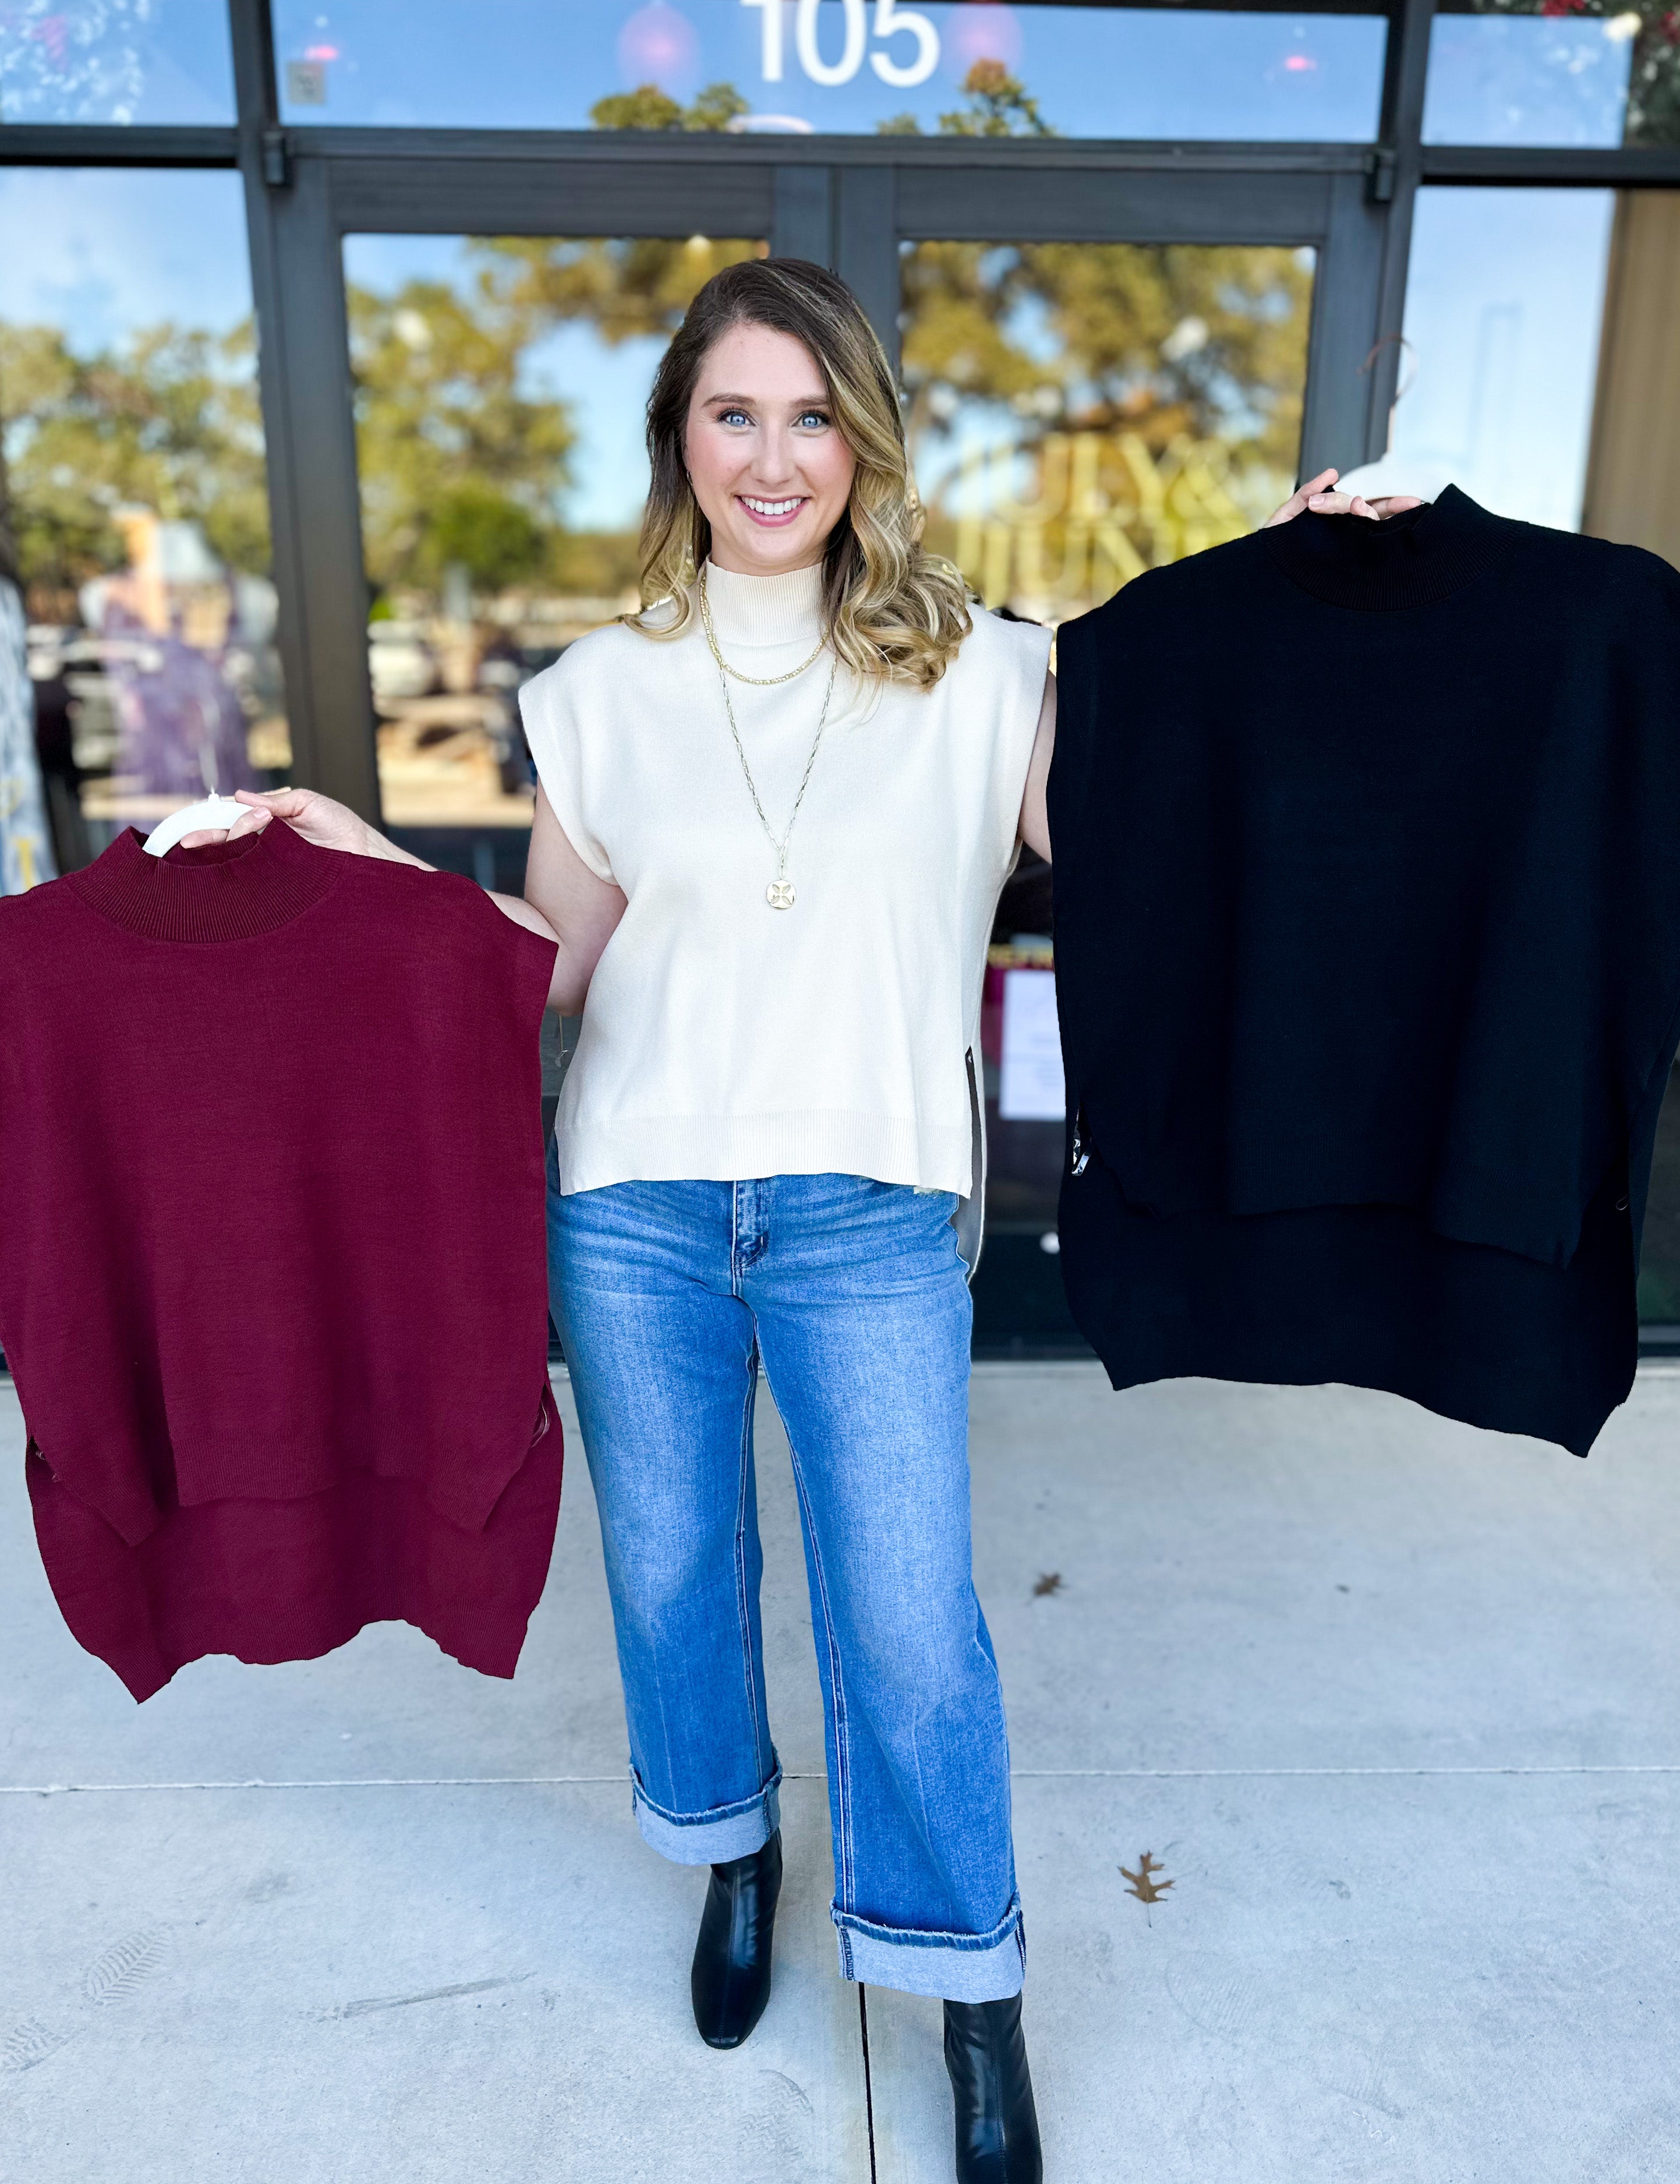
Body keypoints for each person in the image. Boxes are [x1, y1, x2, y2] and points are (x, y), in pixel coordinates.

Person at [222, 259, 1413, 2183]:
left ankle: (972, 1988)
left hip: (869, 1207)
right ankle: (734, 1850)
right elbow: (543, 967)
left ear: (861, 434)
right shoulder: (596, 695)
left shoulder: (995, 672)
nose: (774, 456)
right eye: (732, 414)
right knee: (679, 1581)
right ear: (679, 444)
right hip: (634, 1207)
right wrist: (351, 858)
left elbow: (1168, 783)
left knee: (907, 1617)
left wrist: (1292, 581)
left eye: (810, 413)